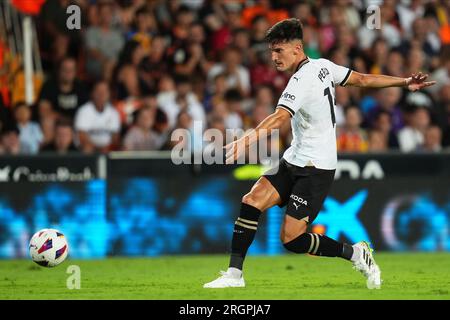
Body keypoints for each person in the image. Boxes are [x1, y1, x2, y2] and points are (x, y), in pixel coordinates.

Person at [203, 18, 436, 290]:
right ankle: (234, 274)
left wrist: (247, 139)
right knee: (251, 200)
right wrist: (404, 82)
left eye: (279, 50)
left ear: (297, 48)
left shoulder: (300, 81)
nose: (274, 57)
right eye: (271, 51)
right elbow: (361, 79)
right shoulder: (323, 66)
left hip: (316, 168)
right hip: (295, 158)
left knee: (292, 240)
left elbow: (279, 117)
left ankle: (356, 253)